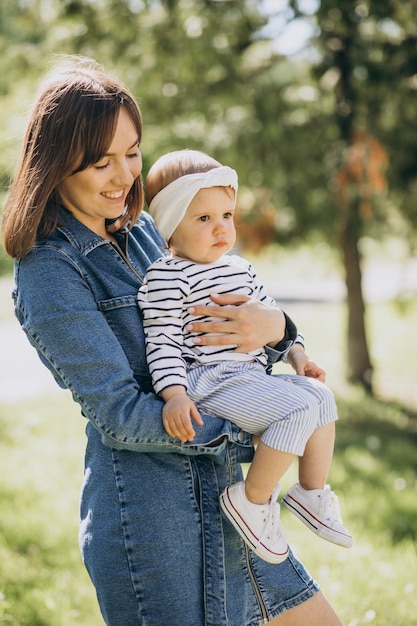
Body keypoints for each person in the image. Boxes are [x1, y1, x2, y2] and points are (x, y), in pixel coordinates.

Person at [1, 55, 345, 626]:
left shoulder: (143, 231)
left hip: (234, 506)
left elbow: (229, 295)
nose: (124, 176)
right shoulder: (50, 271)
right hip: (158, 529)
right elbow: (120, 412)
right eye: (99, 162)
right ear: (57, 164)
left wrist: (280, 330)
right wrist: (267, 425)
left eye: (132, 153)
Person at [138, 149, 352, 564]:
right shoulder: (167, 275)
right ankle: (252, 500)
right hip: (211, 379)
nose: (220, 228)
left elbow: (272, 314)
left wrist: (299, 358)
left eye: (227, 216)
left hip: (253, 375)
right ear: (170, 229)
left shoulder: (240, 269)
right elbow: (160, 340)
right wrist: (175, 394)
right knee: (297, 410)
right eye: (203, 219)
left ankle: (310, 492)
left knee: (320, 397)